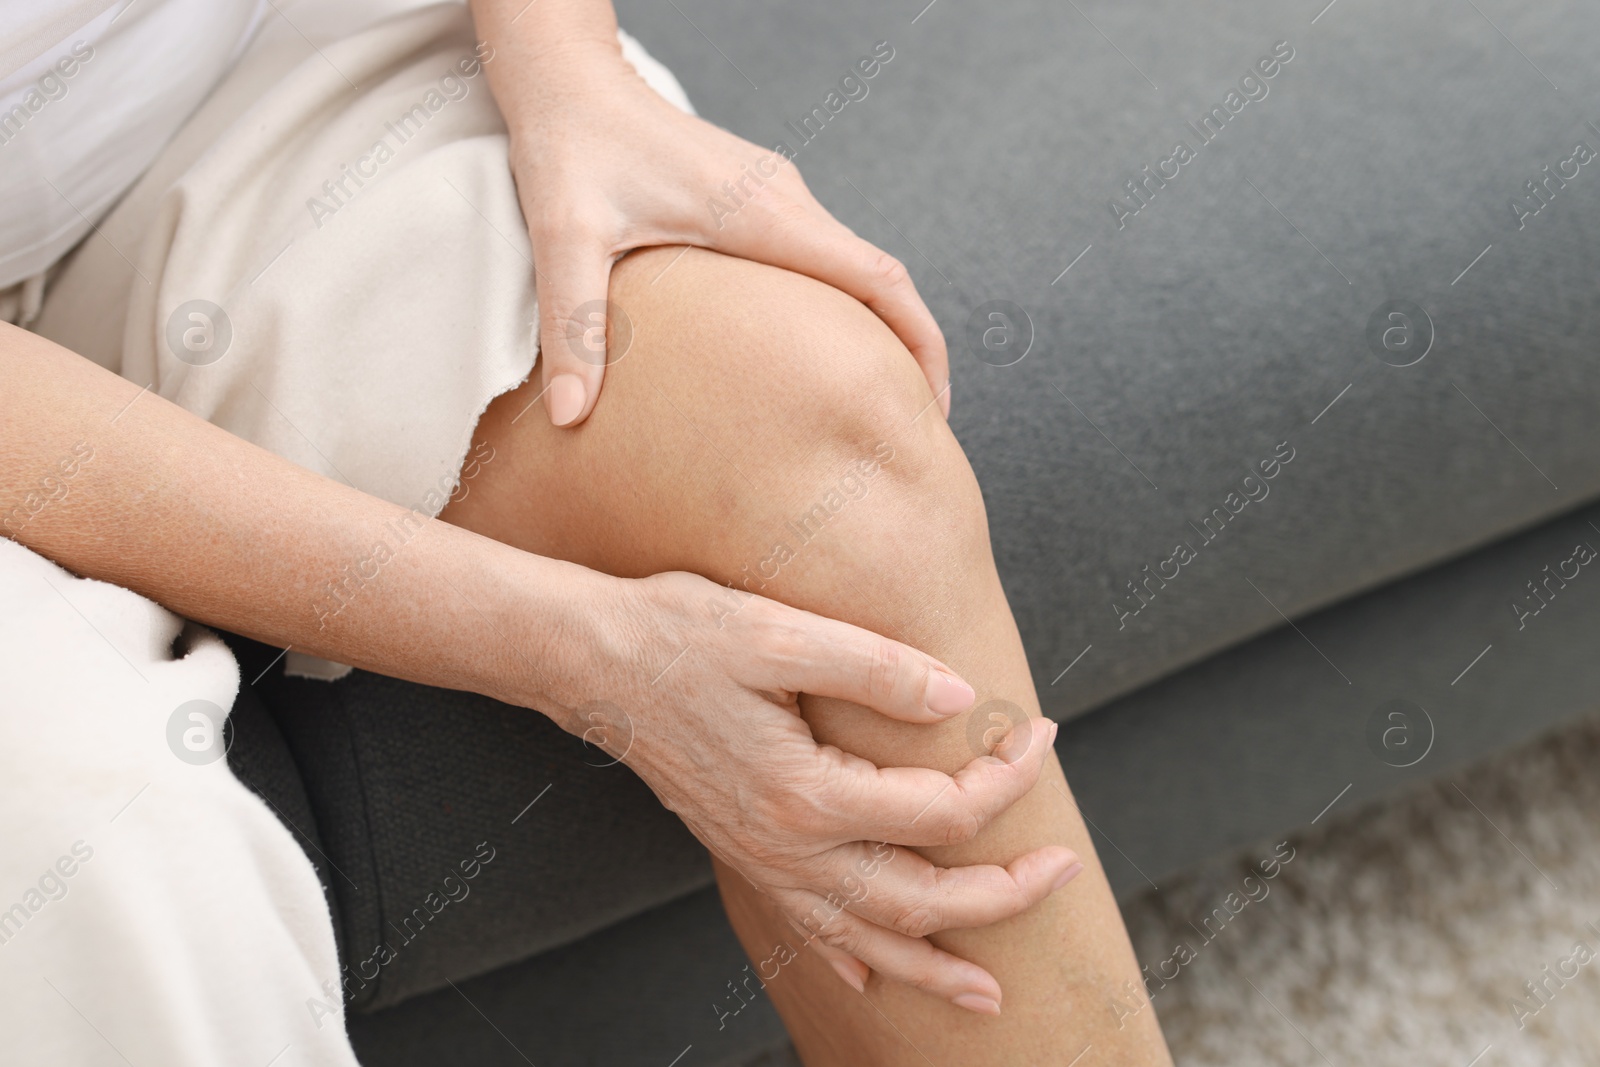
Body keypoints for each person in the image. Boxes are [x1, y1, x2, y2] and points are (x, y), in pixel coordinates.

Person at [0, 0, 1174, 1063]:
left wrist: (566, 66)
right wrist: (577, 648)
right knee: (103, 861)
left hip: (242, 62)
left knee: (810, 435)